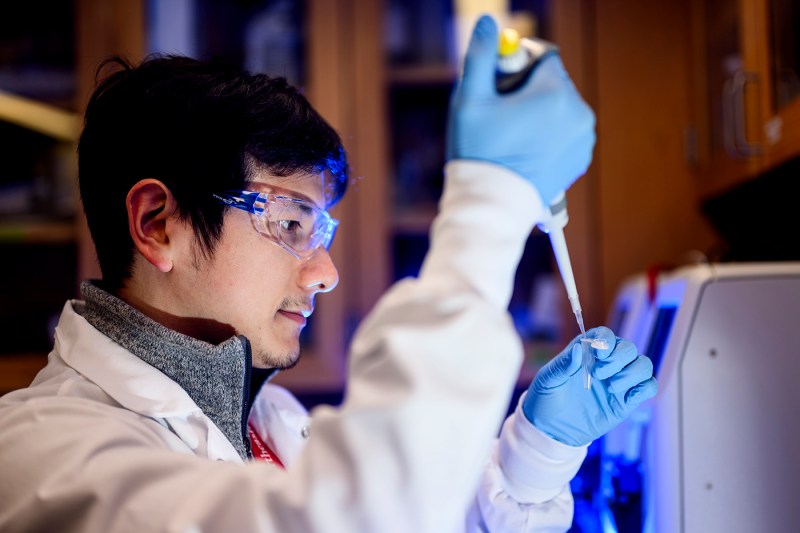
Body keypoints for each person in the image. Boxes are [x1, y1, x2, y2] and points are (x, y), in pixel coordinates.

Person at [0, 15, 656, 532]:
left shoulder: (267, 415)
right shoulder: (44, 456)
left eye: (322, 230)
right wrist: (488, 208)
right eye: (290, 222)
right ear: (156, 223)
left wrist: (537, 449)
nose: (326, 272)